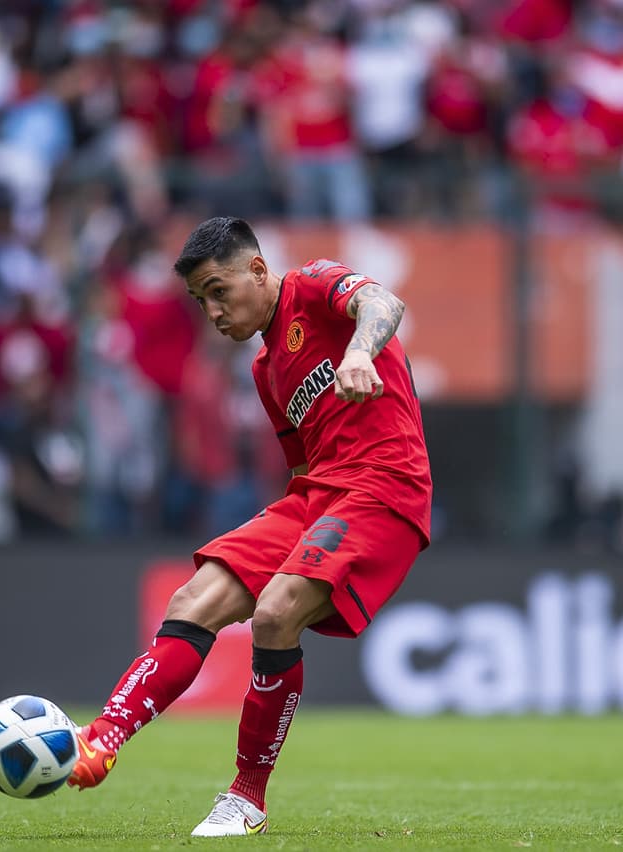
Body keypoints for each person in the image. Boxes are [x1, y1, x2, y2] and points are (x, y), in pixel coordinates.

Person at [66, 217, 432, 836]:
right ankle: (100, 739)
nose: (211, 310)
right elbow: (304, 465)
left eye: (218, 290)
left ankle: (246, 796)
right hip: (320, 493)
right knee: (194, 598)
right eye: (199, 299)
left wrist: (361, 351)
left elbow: (383, 301)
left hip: (384, 484)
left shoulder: (313, 284)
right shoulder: (267, 371)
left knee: (275, 612)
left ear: (258, 271)